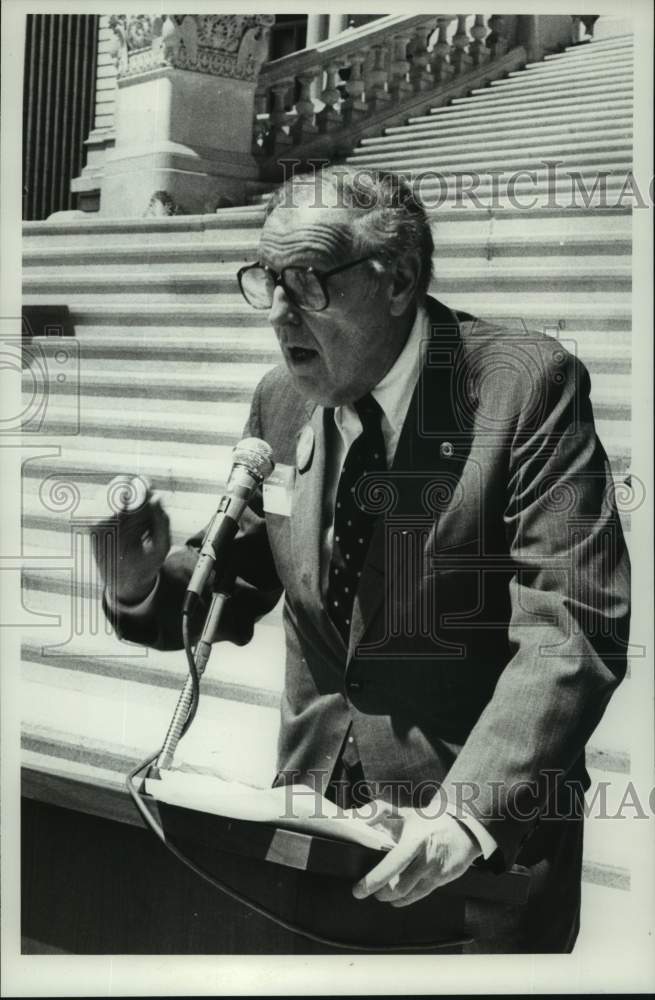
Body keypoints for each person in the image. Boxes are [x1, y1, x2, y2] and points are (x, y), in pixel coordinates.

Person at [95, 166, 630, 952]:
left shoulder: (522, 387)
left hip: (467, 857)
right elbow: (239, 580)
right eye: (267, 280)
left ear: (399, 280)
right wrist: (138, 583)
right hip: (309, 835)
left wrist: (465, 811)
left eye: (308, 282)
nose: (278, 313)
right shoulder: (283, 399)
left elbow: (570, 624)